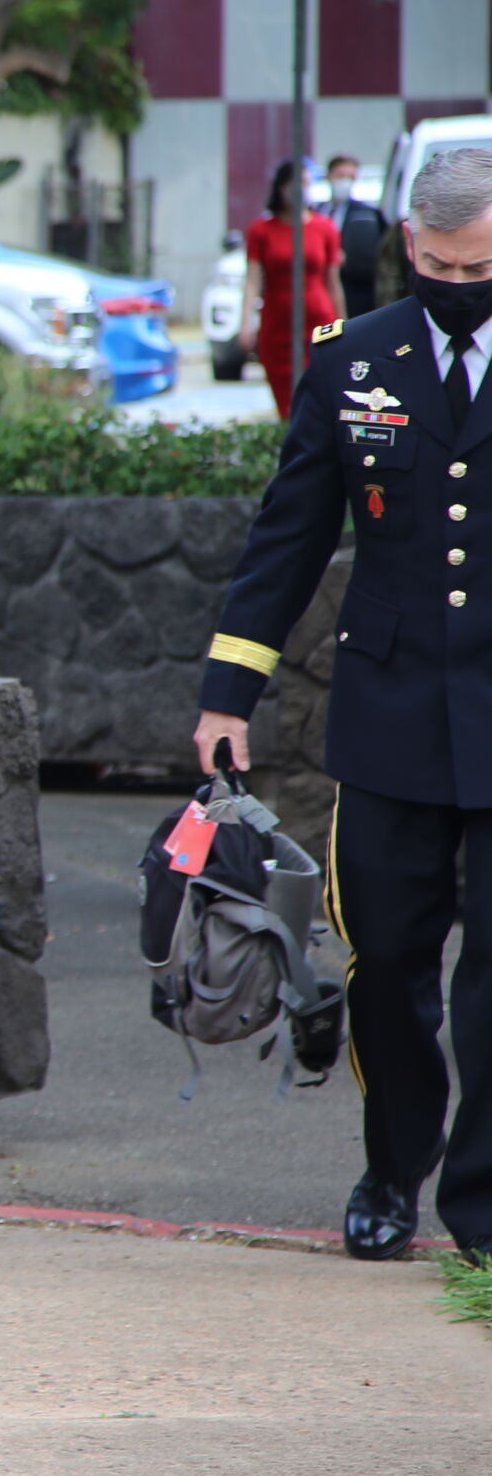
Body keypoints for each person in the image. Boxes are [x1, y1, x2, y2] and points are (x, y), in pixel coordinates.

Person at [194, 146, 492, 1273]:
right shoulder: (350, 362)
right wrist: (229, 688)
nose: (462, 281)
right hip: (390, 716)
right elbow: (289, 535)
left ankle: (482, 1198)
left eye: (485, 266)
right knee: (387, 969)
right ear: (408, 246)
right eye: (442, 262)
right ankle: (388, 1174)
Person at [243, 159, 345, 419]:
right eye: (294, 184)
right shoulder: (261, 230)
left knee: (320, 397)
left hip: (318, 319)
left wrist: (344, 324)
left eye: (305, 183)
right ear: (281, 187)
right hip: (277, 323)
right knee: (287, 404)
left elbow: (333, 281)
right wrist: (246, 323)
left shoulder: (324, 227)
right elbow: (252, 279)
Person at [324, 154, 391, 320]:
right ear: (329, 176)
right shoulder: (315, 212)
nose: (345, 182)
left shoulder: (367, 214)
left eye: (350, 177)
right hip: (320, 291)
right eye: (340, 176)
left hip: (355, 294)